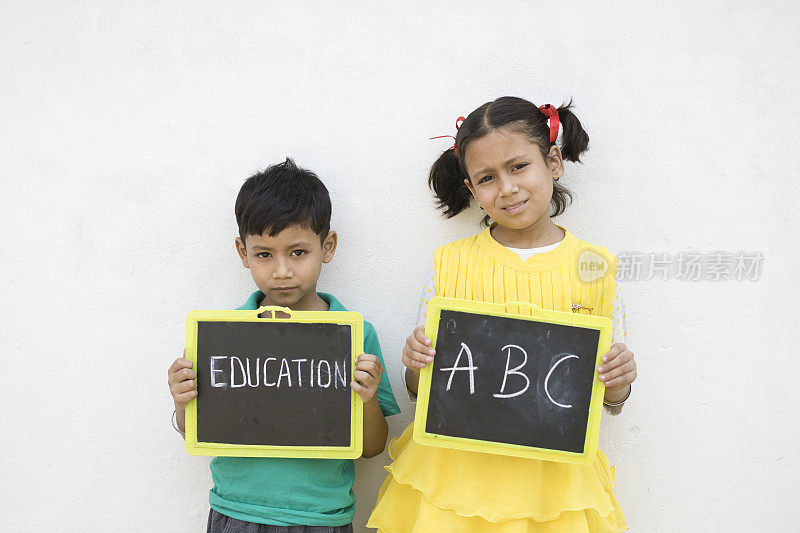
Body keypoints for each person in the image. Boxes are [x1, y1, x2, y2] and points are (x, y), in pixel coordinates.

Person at [367, 96, 637, 532]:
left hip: (551, 485)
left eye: (518, 167)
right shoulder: (451, 263)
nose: (507, 188)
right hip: (455, 478)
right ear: (472, 190)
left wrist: (620, 382)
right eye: (487, 178)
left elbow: (607, 394)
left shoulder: (595, 267)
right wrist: (415, 363)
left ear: (553, 162)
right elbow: (423, 389)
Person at [168, 158, 400, 533]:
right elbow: (199, 431)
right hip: (237, 511)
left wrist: (368, 398)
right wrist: (182, 403)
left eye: (298, 252)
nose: (282, 271)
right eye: (264, 254)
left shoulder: (354, 335)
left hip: (322, 516)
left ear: (328, 246)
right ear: (243, 253)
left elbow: (371, 448)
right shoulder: (223, 336)